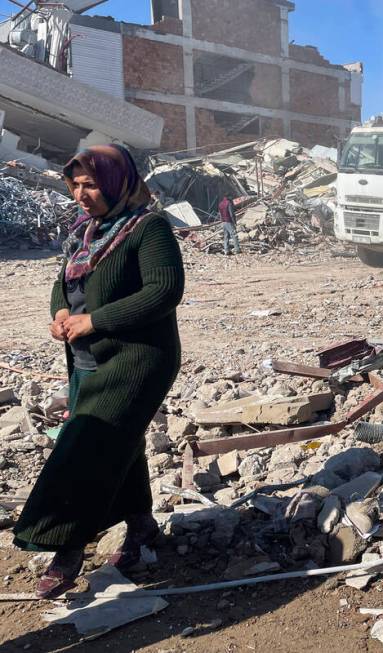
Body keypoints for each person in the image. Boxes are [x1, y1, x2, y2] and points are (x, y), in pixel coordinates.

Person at [13, 145, 185, 599]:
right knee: (119, 442)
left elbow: (165, 290)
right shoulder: (85, 233)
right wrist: (59, 315)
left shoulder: (149, 229)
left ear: (116, 182)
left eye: (91, 184)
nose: (81, 194)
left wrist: (95, 321)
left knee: (83, 448)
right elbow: (63, 285)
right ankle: (142, 525)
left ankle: (65, 547)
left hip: (139, 360)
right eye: (76, 184)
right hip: (87, 360)